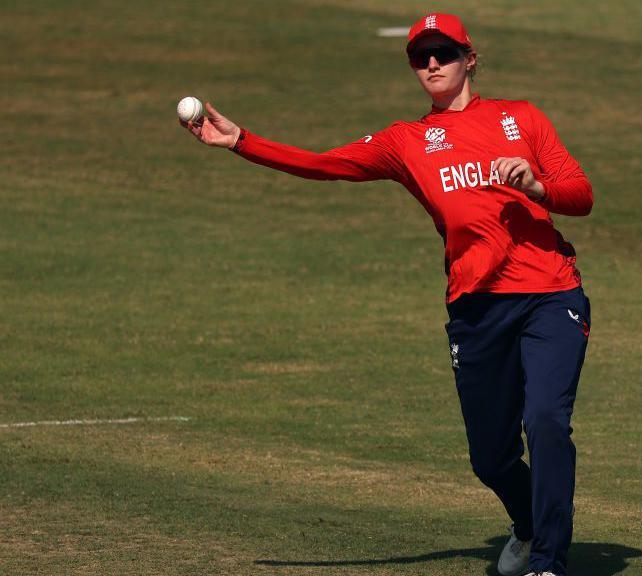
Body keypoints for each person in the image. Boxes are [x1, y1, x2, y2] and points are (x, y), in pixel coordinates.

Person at [180, 13, 592, 576]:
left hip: (550, 294)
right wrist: (241, 142)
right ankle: (527, 524)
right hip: (475, 308)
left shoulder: (521, 119)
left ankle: (548, 560)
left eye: (443, 52)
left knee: (545, 419)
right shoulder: (407, 141)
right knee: (491, 458)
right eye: (420, 56)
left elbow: (582, 193)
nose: (431, 64)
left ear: (469, 58)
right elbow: (326, 164)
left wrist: (537, 184)